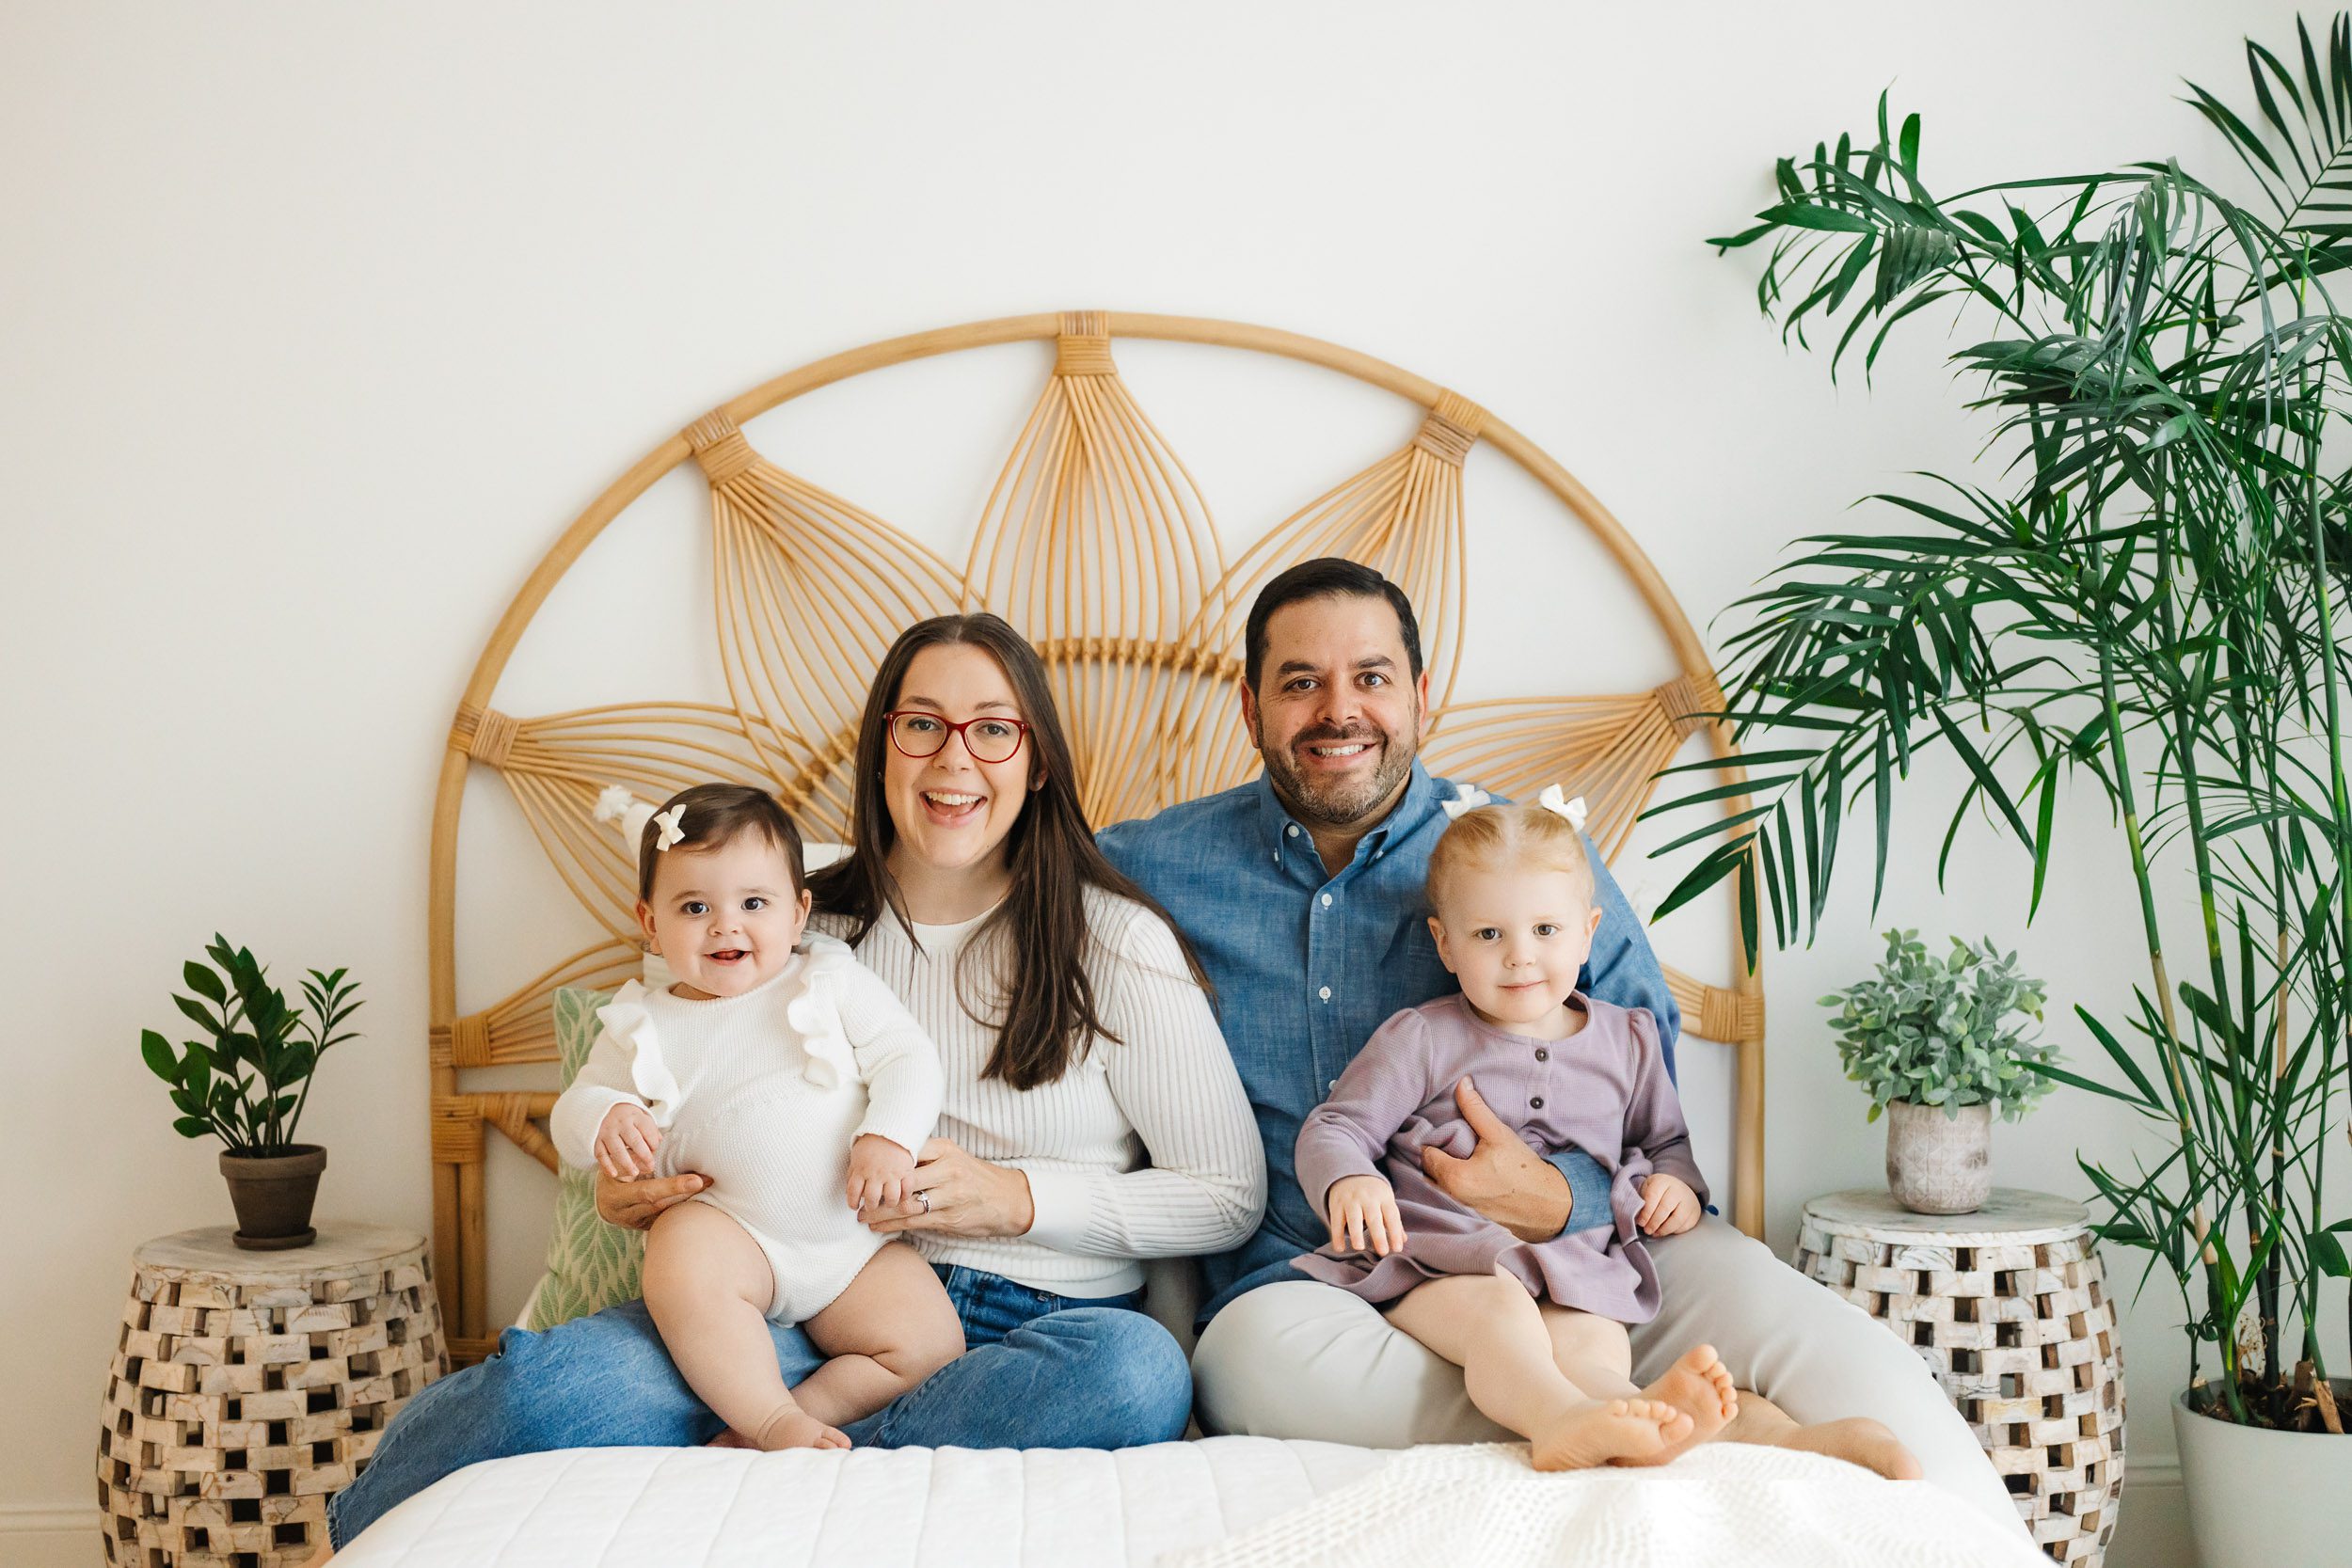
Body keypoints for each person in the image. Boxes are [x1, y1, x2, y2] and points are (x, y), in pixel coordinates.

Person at [1098, 558, 2025, 1535]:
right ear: (1249, 706)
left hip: (1591, 1246)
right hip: (1322, 1279)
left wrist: (1562, 1198)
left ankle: (1971, 1534)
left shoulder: (1526, 860)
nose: (1339, 709)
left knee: (1843, 1351)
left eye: (1370, 677)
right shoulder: (1149, 867)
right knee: (1252, 1365)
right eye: (1300, 681)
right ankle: (1687, 1424)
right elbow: (995, 874)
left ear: (1420, 696)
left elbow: (1649, 1104)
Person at [322, 614, 1264, 1555]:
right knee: (542, 1392)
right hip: (803, 1301)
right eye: (922, 723)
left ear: (1038, 760)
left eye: (993, 727)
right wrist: (624, 1178)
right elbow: (671, 1071)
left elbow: (1226, 1197)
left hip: (1043, 1324)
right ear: (882, 745)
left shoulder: (1117, 943)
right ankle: (336, 1539)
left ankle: (796, 1441)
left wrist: (1015, 1198)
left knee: (1139, 1373)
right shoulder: (784, 920)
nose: (954, 758)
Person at [1295, 790, 1736, 1469]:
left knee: (1591, 1342)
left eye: (1546, 931)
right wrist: (1350, 1179)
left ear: (1588, 931)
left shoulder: (1630, 1040)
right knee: (1501, 1318)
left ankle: (1635, 1415)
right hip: (1437, 1259)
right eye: (1489, 934)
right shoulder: (1424, 1037)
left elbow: (1665, 1141)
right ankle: (1558, 1420)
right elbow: (1336, 1126)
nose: (1520, 957)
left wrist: (1675, 1180)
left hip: (1577, 1258)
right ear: (1445, 942)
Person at [550, 783, 961, 1452]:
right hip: (737, 1241)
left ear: (799, 913)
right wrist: (607, 1112)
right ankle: (769, 1418)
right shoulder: (641, 1024)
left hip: (854, 1247)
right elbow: (572, 1112)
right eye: (693, 906)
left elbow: (907, 1055)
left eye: (753, 903)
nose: (725, 924)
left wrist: (887, 1138)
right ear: (649, 922)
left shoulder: (827, 979)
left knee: (932, 1342)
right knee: (680, 1256)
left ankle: (792, 1415)